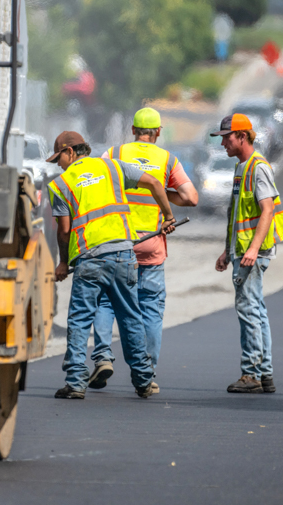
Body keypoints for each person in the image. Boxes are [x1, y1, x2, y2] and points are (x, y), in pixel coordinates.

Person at [47, 130, 177, 399]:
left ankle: (75, 383)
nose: (58, 164)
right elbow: (154, 182)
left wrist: (62, 262)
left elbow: (63, 231)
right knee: (131, 316)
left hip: (90, 259)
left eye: (58, 158)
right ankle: (143, 380)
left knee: (80, 319)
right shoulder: (113, 167)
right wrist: (168, 216)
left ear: (70, 152)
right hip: (123, 254)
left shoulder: (60, 184)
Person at [88, 107, 199, 394]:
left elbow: (95, 186)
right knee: (150, 309)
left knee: (106, 302)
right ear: (158, 132)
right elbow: (191, 197)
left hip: (117, 244)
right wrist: (158, 189)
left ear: (133, 130)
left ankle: (101, 357)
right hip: (152, 246)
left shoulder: (113, 155)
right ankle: (146, 372)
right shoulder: (167, 159)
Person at [212, 113, 283, 394]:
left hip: (252, 252)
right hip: (242, 250)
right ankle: (264, 372)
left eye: (226, 138)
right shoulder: (242, 168)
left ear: (242, 136)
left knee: (248, 310)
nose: (223, 143)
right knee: (256, 309)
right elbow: (238, 215)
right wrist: (227, 249)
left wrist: (253, 249)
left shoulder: (258, 167)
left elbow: (267, 209)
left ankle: (251, 374)